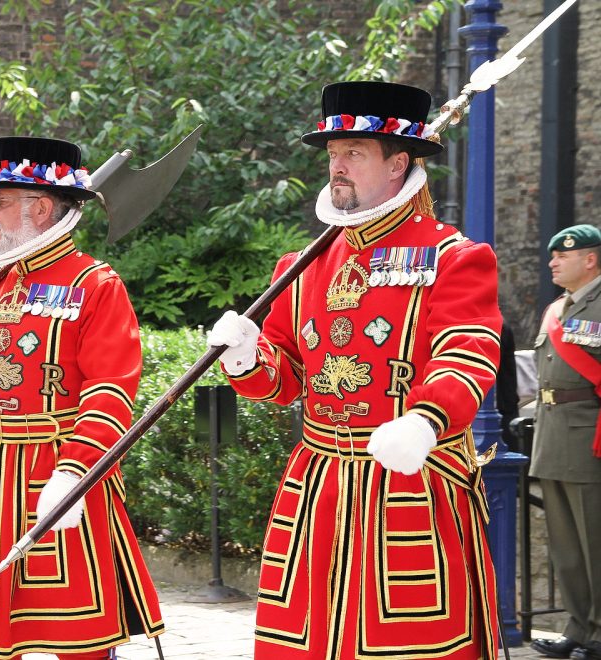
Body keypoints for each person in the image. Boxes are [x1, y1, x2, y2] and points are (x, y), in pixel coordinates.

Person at [207, 81, 502, 659]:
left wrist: (425, 420)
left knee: (411, 645)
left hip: (411, 482)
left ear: (398, 163)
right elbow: (285, 375)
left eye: (354, 154)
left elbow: (466, 352)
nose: (336, 167)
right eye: (333, 154)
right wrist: (245, 356)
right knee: (307, 642)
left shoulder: (454, 256)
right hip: (319, 487)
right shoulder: (301, 264)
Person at [0, 136, 164, 659]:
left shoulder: (96, 284)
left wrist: (75, 472)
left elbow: (110, 390)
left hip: (60, 471)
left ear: (39, 206)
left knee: (79, 637)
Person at [528, 225, 601, 660]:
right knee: (566, 543)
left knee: (595, 538)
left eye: (563, 256)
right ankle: (578, 625)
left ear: (589, 259)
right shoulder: (557, 309)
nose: (553, 262)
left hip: (588, 435)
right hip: (553, 435)